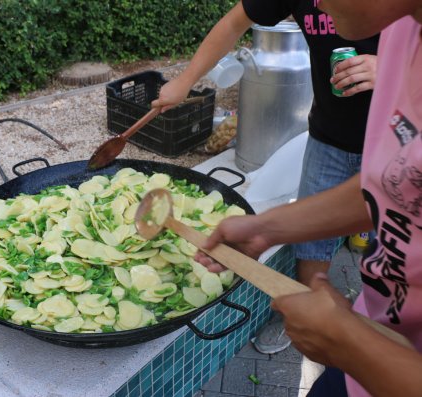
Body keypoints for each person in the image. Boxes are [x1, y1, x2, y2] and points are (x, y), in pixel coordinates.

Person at [195, 0, 422, 395]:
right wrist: (266, 228)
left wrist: (351, 343)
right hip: (376, 343)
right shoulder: (404, 31)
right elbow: (399, 183)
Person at [153, 0, 378, 355]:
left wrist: (393, 70)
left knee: (389, 253)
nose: (324, 11)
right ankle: (308, 317)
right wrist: (184, 81)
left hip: (395, 139)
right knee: (311, 248)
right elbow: (232, 23)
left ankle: (368, 317)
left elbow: (390, 198)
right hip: (328, 136)